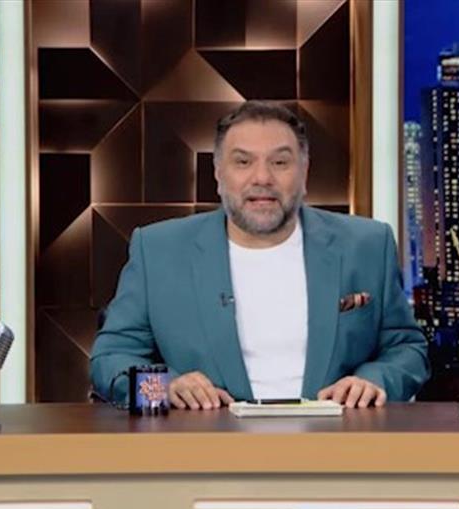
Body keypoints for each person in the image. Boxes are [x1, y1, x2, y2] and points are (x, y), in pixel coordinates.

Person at [90, 101, 428, 410]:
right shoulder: (158, 250)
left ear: (304, 172)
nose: (262, 178)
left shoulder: (367, 245)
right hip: (204, 448)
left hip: (334, 445)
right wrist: (164, 388)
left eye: (280, 162)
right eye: (243, 162)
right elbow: (110, 360)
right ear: (218, 173)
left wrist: (375, 380)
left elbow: (408, 350)